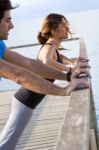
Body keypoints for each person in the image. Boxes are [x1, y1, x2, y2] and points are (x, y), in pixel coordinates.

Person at [0, 8, 91, 150]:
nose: (67, 28)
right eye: (63, 25)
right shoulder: (49, 47)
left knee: (8, 140)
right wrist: (67, 81)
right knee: (7, 143)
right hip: (25, 101)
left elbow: (51, 60)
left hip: (28, 101)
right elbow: (43, 64)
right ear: (53, 30)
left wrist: (72, 67)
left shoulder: (53, 47)